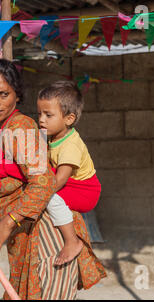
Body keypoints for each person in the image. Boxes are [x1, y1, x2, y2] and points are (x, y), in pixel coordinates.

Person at [0, 59, 105, 300]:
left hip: (46, 237)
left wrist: (6, 224)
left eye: (3, 94)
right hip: (24, 238)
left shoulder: (22, 129)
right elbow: (7, 186)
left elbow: (42, 184)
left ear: (17, 95)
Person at [37, 81, 102, 266]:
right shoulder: (52, 136)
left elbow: (60, 180)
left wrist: (38, 195)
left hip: (85, 190)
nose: (41, 119)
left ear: (69, 118)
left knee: (51, 199)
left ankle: (72, 241)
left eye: (48, 115)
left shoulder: (70, 145)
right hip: (72, 183)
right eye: (39, 114)